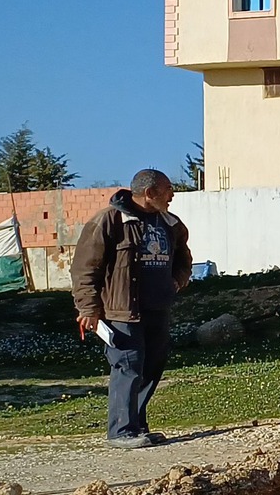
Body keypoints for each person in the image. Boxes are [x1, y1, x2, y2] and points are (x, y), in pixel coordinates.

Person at [71, 169, 192, 449]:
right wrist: (88, 308)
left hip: (158, 309)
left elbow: (183, 257)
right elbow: (85, 269)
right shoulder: (109, 221)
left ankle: (137, 426)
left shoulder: (170, 223)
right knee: (128, 366)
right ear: (150, 193)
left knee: (151, 367)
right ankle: (121, 432)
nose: (172, 195)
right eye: (167, 189)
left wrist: (177, 281)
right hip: (122, 312)